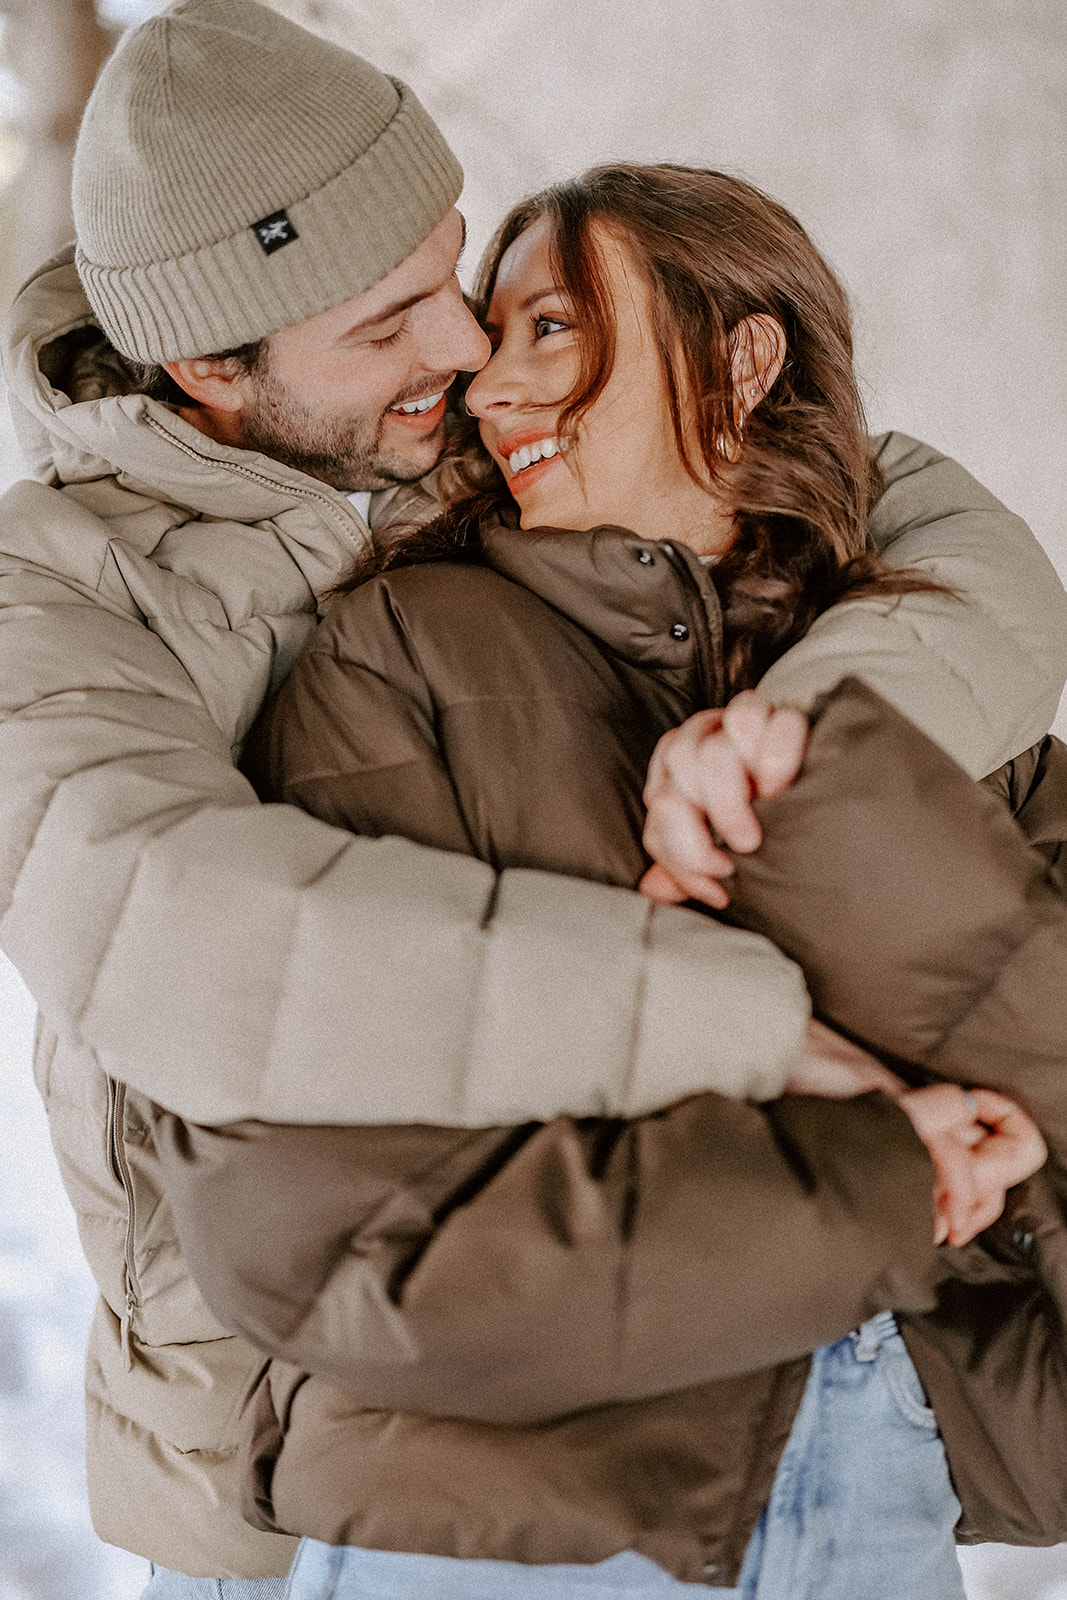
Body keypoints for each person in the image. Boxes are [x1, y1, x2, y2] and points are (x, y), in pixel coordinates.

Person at [0, 0, 1063, 1592]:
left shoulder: (461, 449)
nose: (468, 351)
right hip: (303, 1447)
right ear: (213, 363)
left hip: (767, 1387)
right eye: (392, 321)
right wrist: (755, 1023)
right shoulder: (54, 601)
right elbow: (207, 951)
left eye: (457, 276)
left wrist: (801, 741)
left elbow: (911, 513)